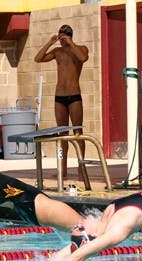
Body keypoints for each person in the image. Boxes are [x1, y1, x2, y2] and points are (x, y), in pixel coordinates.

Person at [34, 25, 89, 178]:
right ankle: (62, 169)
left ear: (70, 36)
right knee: (62, 133)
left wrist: (71, 43)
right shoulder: (57, 52)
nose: (62, 40)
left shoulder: (81, 49)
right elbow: (37, 59)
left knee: (78, 133)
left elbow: (83, 58)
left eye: (64, 37)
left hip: (74, 96)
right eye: (60, 37)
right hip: (59, 97)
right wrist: (49, 43)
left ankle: (81, 168)